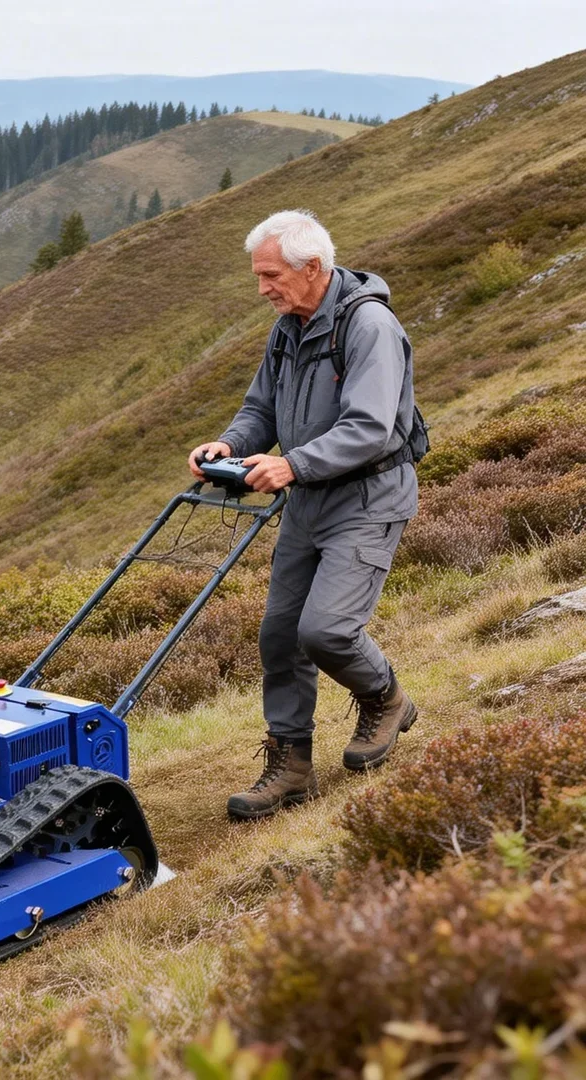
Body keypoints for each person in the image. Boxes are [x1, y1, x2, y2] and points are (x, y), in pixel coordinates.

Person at [188, 209, 419, 820]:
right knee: (282, 635)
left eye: (270, 275)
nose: (262, 287)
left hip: (368, 498)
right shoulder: (289, 326)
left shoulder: (368, 325)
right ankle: (290, 767)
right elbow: (260, 406)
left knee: (328, 630)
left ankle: (387, 698)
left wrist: (292, 465)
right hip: (311, 501)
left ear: (311, 267)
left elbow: (370, 428)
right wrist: (230, 446)